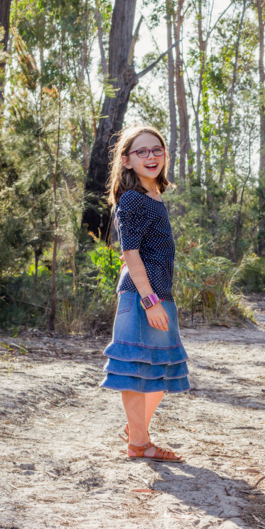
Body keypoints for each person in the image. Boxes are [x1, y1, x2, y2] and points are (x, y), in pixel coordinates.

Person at [100, 125, 189, 461]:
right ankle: (139, 443)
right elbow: (131, 253)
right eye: (141, 151)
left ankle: (136, 430)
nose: (151, 156)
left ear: (165, 155)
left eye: (157, 150)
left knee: (163, 369)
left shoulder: (154, 197)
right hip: (142, 297)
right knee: (136, 370)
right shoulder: (133, 200)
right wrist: (150, 301)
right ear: (126, 160)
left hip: (159, 292)